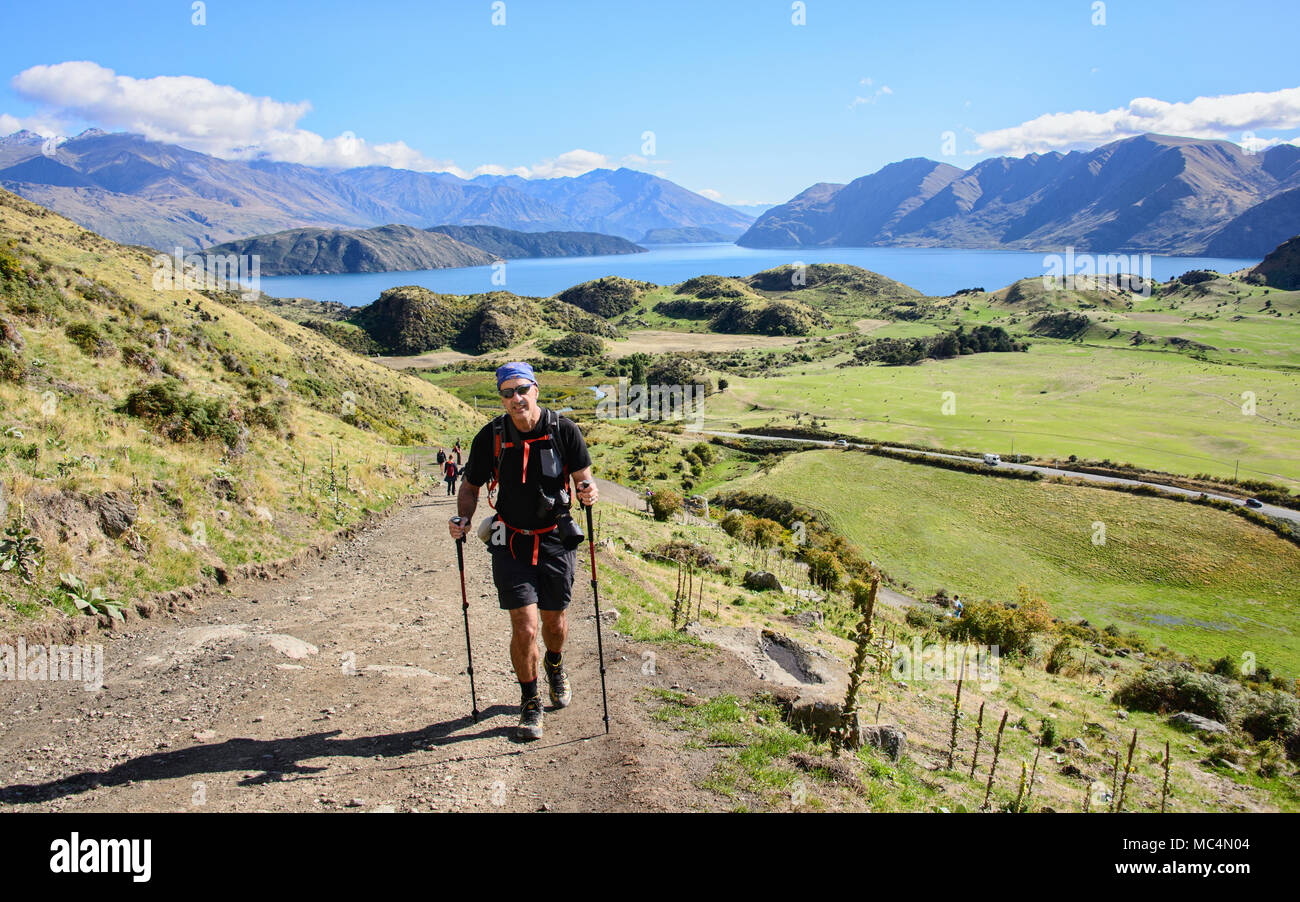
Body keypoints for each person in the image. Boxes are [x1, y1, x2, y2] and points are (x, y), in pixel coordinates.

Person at [448, 362, 598, 741]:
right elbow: (469, 486)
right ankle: (530, 702)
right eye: (507, 393)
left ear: (535, 389)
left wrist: (588, 492)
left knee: (553, 622)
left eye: (521, 390)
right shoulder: (491, 436)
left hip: (554, 540)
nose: (515, 399)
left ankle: (554, 663)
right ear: (501, 397)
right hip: (510, 540)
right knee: (525, 624)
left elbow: (584, 478)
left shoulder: (564, 430)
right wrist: (463, 518)